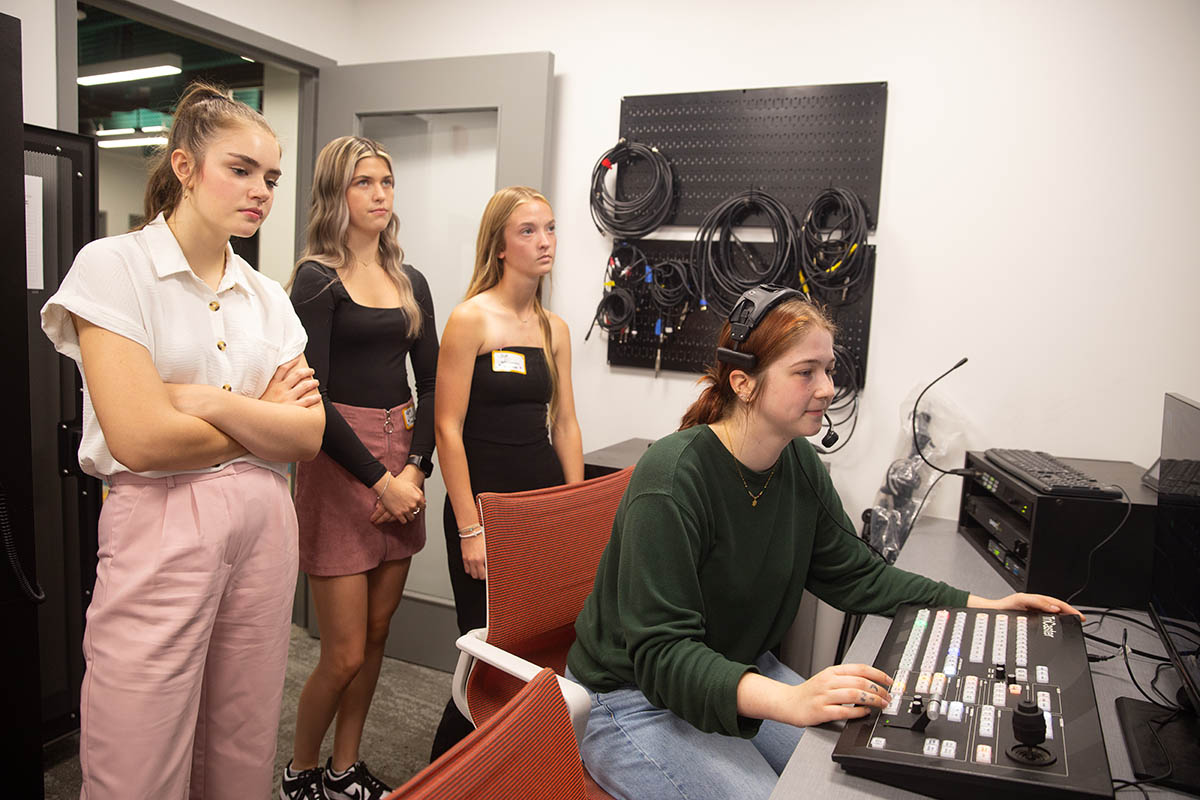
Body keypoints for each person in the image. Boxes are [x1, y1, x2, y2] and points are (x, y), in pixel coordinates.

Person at [565, 287, 1082, 800]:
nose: (828, 388)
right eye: (805, 372)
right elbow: (662, 654)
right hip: (632, 697)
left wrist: (983, 607)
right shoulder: (673, 478)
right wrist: (793, 700)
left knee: (861, 777)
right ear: (743, 382)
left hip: (738, 666)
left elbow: (858, 573)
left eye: (829, 370)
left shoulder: (798, 463)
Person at [40, 82, 325, 799]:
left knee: (240, 741)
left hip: (265, 523)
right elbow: (141, 438)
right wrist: (258, 417)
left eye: (271, 177)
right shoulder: (115, 268)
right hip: (161, 517)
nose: (260, 190)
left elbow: (310, 433)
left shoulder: (267, 295)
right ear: (186, 168)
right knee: (136, 750)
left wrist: (201, 401)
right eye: (240, 169)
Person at [283, 136, 438, 800]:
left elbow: (430, 386)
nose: (380, 194)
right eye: (363, 182)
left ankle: (344, 770)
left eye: (387, 181)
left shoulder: (412, 281)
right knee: (343, 651)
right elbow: (310, 398)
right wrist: (379, 480)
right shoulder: (317, 278)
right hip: (339, 463)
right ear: (335, 194)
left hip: (402, 460)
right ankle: (300, 771)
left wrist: (415, 471)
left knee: (376, 637)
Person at [429, 186, 584, 758]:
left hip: (541, 512)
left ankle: (504, 773)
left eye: (549, 228)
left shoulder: (555, 328)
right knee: (487, 655)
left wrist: (575, 514)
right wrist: (471, 527)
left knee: (536, 651)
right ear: (499, 245)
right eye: (527, 231)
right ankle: (445, 775)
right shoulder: (470, 320)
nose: (544, 242)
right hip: (485, 513)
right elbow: (447, 429)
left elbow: (565, 423)